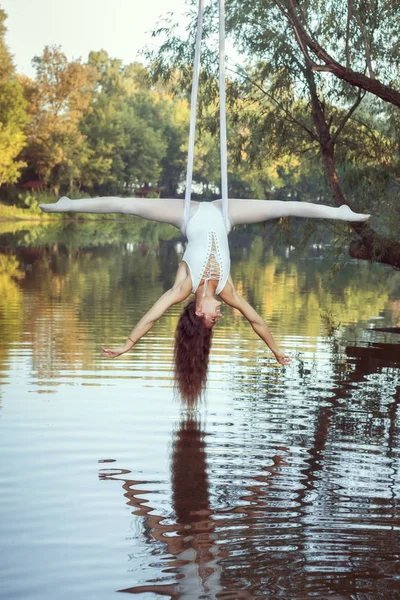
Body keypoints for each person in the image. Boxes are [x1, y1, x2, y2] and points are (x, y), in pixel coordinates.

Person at [39, 196, 370, 401]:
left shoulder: (183, 287)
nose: (220, 315)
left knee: (130, 204)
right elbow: (256, 320)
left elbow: (153, 316)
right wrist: (276, 350)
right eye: (218, 319)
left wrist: (128, 343)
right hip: (224, 215)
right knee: (283, 207)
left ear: (198, 312)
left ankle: (70, 204)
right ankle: (339, 213)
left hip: (189, 215)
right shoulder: (227, 290)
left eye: (213, 318)